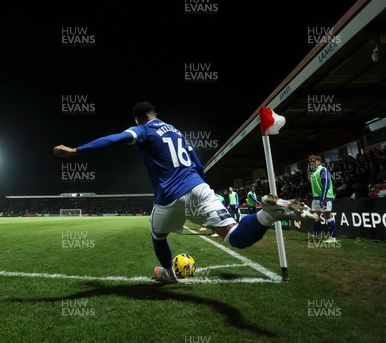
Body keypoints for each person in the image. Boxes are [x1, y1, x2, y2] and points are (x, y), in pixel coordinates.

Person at [53, 101, 318, 283]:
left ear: (137, 119)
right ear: (156, 113)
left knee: (158, 234)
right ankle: (267, 216)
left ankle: (168, 273)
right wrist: (202, 188)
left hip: (169, 197)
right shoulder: (177, 132)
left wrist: (77, 150)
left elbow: (116, 139)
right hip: (198, 186)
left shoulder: (143, 129)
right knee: (234, 237)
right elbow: (198, 164)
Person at [308, 155, 337, 243]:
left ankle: (333, 238)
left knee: (327, 217)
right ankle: (315, 236)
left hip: (324, 197)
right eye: (310, 162)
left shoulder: (323, 170)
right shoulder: (313, 173)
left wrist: (323, 197)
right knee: (315, 217)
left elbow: (326, 184)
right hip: (316, 198)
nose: (311, 163)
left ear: (318, 161)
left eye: (313, 161)